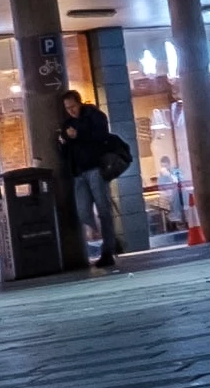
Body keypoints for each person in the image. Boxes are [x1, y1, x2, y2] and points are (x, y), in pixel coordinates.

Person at [52, 86, 144, 265]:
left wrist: (77, 135)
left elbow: (100, 136)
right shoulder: (67, 125)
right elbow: (65, 151)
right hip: (78, 173)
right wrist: (63, 143)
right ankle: (104, 235)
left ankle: (108, 250)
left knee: (103, 210)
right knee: (83, 210)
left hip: (96, 169)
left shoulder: (94, 116)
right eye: (67, 108)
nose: (71, 111)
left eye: (73, 107)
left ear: (79, 103)